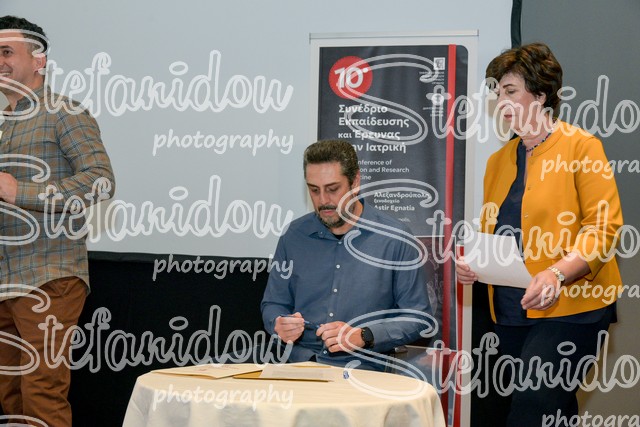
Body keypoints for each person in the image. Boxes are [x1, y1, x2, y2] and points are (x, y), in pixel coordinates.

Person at [456, 43, 623, 427]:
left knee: (534, 404)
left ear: (541, 94)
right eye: (498, 93)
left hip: (573, 309)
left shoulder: (582, 147)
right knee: (544, 412)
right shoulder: (498, 161)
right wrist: (474, 266)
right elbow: (495, 233)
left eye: (510, 91)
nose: (501, 101)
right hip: (510, 311)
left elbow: (604, 228)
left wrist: (556, 273)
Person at [0, 16, 115, 426]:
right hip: (6, 280)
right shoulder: (4, 126)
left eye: (7, 52)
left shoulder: (64, 112)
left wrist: (20, 191)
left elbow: (100, 181)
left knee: (41, 392)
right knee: (10, 396)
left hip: (49, 276)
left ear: (39, 61)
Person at [261, 139, 432, 371]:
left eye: (333, 189)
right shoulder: (294, 236)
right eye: (314, 190)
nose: (323, 201)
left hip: (366, 372)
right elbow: (273, 304)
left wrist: (364, 335)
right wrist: (278, 323)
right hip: (300, 367)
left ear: (355, 182)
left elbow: (418, 318)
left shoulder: (394, 238)